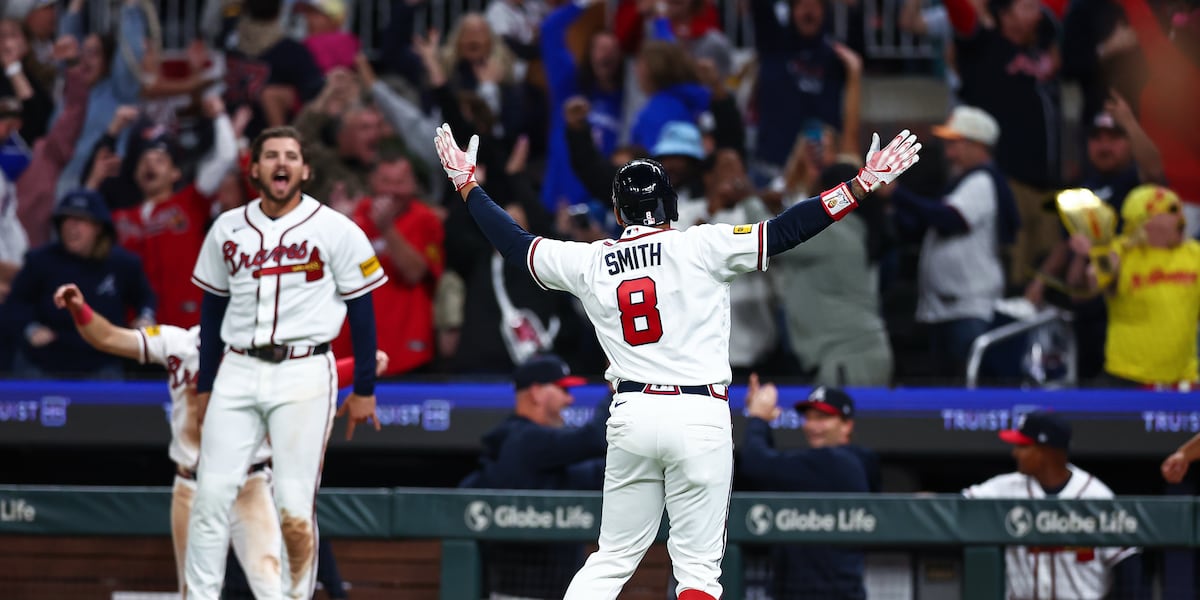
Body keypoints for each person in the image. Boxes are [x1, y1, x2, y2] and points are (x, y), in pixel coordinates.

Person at [433, 121, 921, 599]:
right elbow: (789, 229)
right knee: (698, 574)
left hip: (632, 413)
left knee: (612, 559)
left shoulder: (590, 260)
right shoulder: (701, 244)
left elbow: (516, 244)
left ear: (620, 212)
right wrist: (859, 185)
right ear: (668, 205)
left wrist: (467, 186)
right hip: (699, 413)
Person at [185, 126, 386, 600]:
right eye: (271, 155)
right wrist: (206, 385)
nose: (282, 162)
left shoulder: (335, 229)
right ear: (253, 168)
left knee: (295, 507)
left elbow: (362, 310)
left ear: (306, 169)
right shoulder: (227, 228)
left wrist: (365, 389)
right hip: (237, 366)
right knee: (211, 497)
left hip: (304, 369)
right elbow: (212, 310)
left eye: (291, 155)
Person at [883, 105, 1019, 379]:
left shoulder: (982, 180)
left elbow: (950, 219)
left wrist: (897, 193)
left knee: (966, 391)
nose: (949, 152)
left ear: (978, 145)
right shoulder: (960, 181)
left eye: (956, 144)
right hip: (945, 309)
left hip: (967, 309)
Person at [461, 354, 611, 599]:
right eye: (563, 389)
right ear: (537, 393)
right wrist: (618, 388)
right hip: (516, 592)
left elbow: (597, 471)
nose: (569, 398)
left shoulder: (543, 457)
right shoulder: (522, 440)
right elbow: (595, 437)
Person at [963, 411, 1146, 599]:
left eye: (1023, 446)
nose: (1015, 452)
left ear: (1046, 452)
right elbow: (954, 506)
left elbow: (1128, 568)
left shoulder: (1096, 496)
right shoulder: (1004, 488)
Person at [738, 376, 879, 599]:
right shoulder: (841, 463)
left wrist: (758, 418)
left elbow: (758, 464)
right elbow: (774, 476)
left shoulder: (838, 462)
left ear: (846, 425)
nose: (812, 426)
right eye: (809, 417)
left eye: (823, 417)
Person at [1, 188, 157, 379]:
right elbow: (15, 303)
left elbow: (146, 298)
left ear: (99, 227)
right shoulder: (40, 260)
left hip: (102, 361)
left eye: (81, 221)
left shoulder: (123, 263)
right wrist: (29, 328)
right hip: (46, 360)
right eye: (66, 220)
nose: (71, 227)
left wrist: (145, 318)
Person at [1068, 184, 1200, 388]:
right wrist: (1091, 254)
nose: (1182, 216)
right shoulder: (1121, 252)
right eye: (1172, 210)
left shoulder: (1194, 255)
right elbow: (1090, 285)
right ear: (1145, 221)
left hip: (1182, 381)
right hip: (1128, 379)